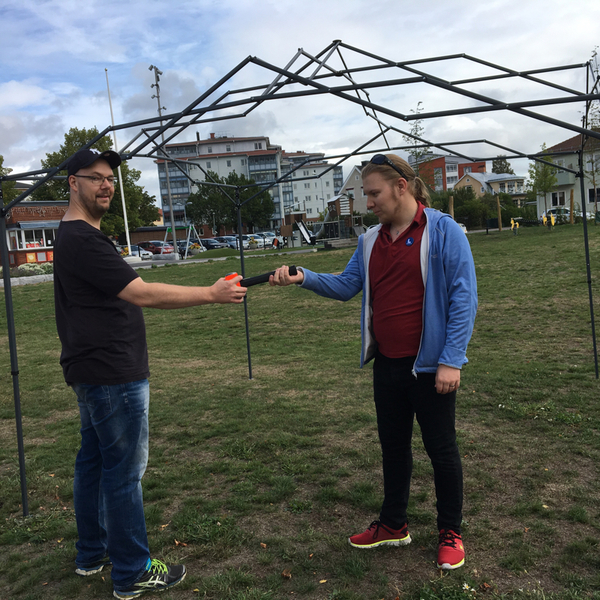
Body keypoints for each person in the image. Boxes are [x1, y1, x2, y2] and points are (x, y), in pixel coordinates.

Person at [54, 148, 247, 599]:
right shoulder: (81, 238)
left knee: (94, 463)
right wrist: (211, 293)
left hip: (93, 370)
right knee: (122, 473)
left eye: (110, 179)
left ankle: (92, 554)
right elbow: (142, 294)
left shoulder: (77, 237)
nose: (106, 185)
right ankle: (132, 571)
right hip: (112, 374)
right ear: (73, 183)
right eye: (95, 177)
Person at [269, 154, 477, 570]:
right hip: (388, 365)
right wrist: (304, 276)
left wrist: (452, 359)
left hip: (432, 367)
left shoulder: (443, 231)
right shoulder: (369, 241)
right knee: (393, 449)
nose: (368, 203)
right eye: (366, 194)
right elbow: (348, 286)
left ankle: (450, 531)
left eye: (373, 193)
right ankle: (393, 524)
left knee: (442, 451)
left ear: (401, 186)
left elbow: (464, 298)